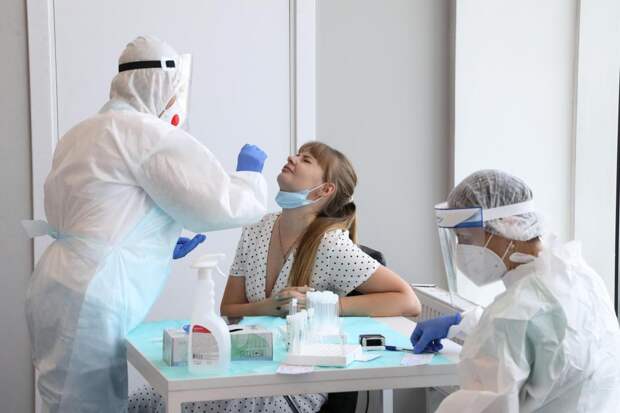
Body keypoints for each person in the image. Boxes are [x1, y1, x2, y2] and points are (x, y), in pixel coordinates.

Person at [23, 35, 269, 413]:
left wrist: (155, 244)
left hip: (56, 283)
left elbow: (91, 213)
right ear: (162, 86)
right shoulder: (146, 134)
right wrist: (249, 178)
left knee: (62, 401)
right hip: (92, 294)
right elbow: (217, 205)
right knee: (89, 407)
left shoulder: (82, 132)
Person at [129, 141, 421, 413]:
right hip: (244, 365)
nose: (292, 158)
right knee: (146, 399)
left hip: (293, 385)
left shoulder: (330, 244)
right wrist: (267, 307)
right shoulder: (256, 227)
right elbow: (228, 309)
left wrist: (324, 304)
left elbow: (408, 301)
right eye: (297, 154)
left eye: (306, 159)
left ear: (324, 190)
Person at [411, 170, 620, 412]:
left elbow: (485, 405)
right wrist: (461, 322)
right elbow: (547, 331)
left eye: (466, 237)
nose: (462, 249)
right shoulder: (577, 275)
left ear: (507, 224)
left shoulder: (514, 312)